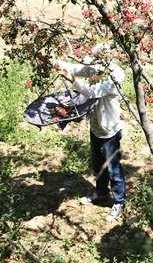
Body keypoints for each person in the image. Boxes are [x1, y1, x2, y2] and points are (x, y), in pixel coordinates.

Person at [53, 43, 127, 221]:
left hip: (109, 131)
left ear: (105, 60)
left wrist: (72, 80)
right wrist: (56, 62)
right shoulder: (96, 68)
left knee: (113, 169)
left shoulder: (114, 76)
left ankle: (119, 202)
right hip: (96, 128)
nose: (94, 65)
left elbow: (92, 92)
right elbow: (76, 68)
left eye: (96, 61)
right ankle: (101, 193)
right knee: (98, 165)